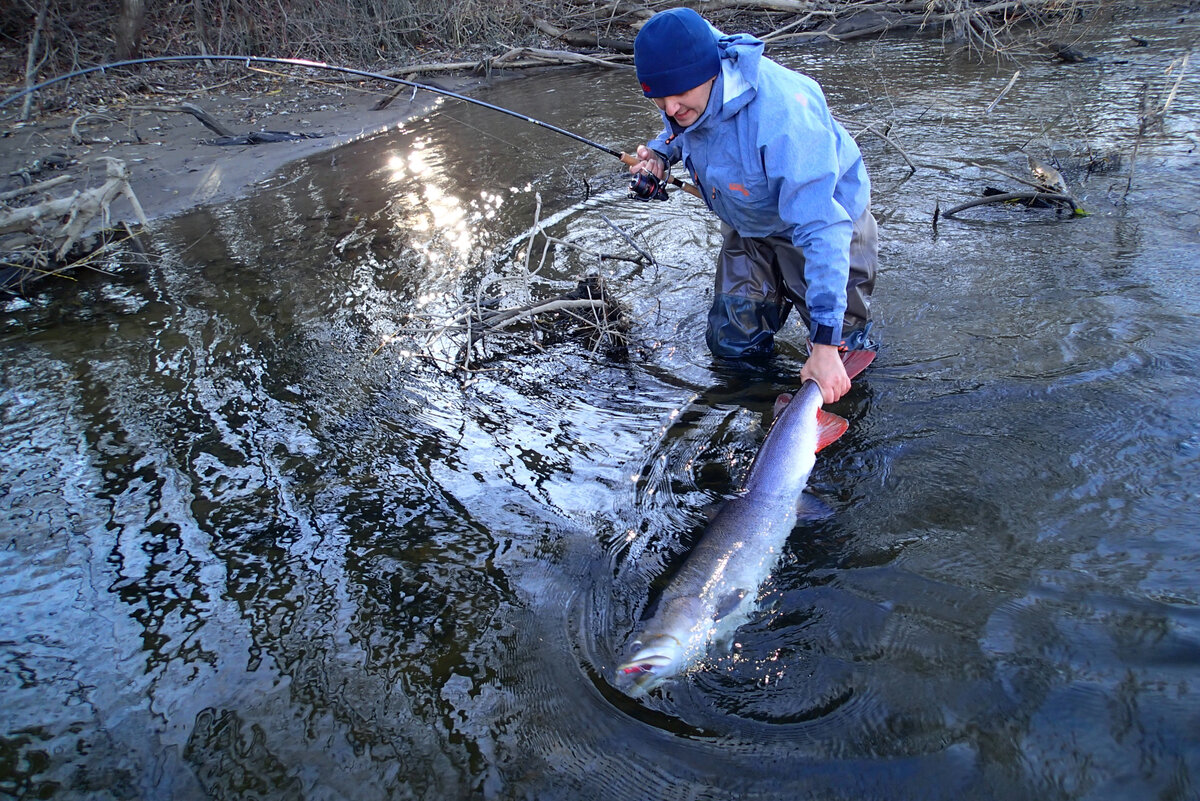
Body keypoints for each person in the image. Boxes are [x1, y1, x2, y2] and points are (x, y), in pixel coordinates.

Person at [629, 7, 878, 404]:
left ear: (711, 71)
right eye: (659, 99)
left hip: (825, 227)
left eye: (679, 95)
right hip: (751, 224)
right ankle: (768, 413)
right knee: (732, 348)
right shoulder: (689, 91)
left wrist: (825, 346)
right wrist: (660, 155)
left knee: (841, 360)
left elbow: (822, 228)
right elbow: (683, 124)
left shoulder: (784, 115)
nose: (671, 109)